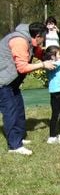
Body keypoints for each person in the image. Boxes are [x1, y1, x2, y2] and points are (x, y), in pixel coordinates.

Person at [0, 22, 56, 155]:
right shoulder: (19, 41)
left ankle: (18, 137)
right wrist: (43, 65)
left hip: (12, 82)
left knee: (19, 109)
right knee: (10, 111)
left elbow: (38, 52)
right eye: (43, 38)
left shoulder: (30, 40)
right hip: (3, 82)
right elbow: (22, 67)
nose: (44, 41)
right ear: (37, 36)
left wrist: (52, 56)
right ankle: (14, 146)